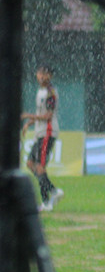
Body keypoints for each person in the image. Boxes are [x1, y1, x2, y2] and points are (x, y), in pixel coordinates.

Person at [21, 64, 64, 212]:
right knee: (30, 163)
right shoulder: (40, 91)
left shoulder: (51, 93)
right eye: (39, 73)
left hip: (48, 132)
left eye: (44, 74)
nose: (40, 76)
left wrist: (28, 116)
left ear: (49, 76)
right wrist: (29, 123)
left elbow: (48, 116)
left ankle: (51, 194)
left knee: (39, 167)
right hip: (40, 133)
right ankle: (47, 199)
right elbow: (41, 112)